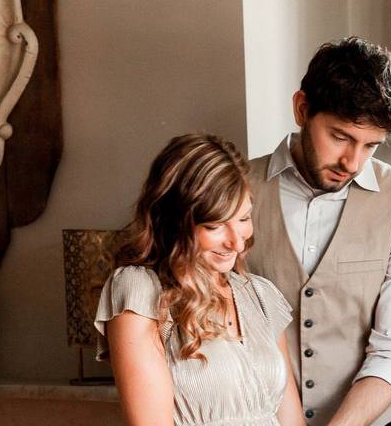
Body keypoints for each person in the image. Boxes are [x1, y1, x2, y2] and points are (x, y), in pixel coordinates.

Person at [246, 37, 391, 426]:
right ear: (302, 109)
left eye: (371, 146)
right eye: (341, 137)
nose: (353, 162)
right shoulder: (234, 188)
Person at [95, 133, 306, 426]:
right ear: (174, 222)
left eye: (243, 219)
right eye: (215, 225)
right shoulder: (139, 291)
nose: (237, 243)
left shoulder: (261, 296)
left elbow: (291, 421)